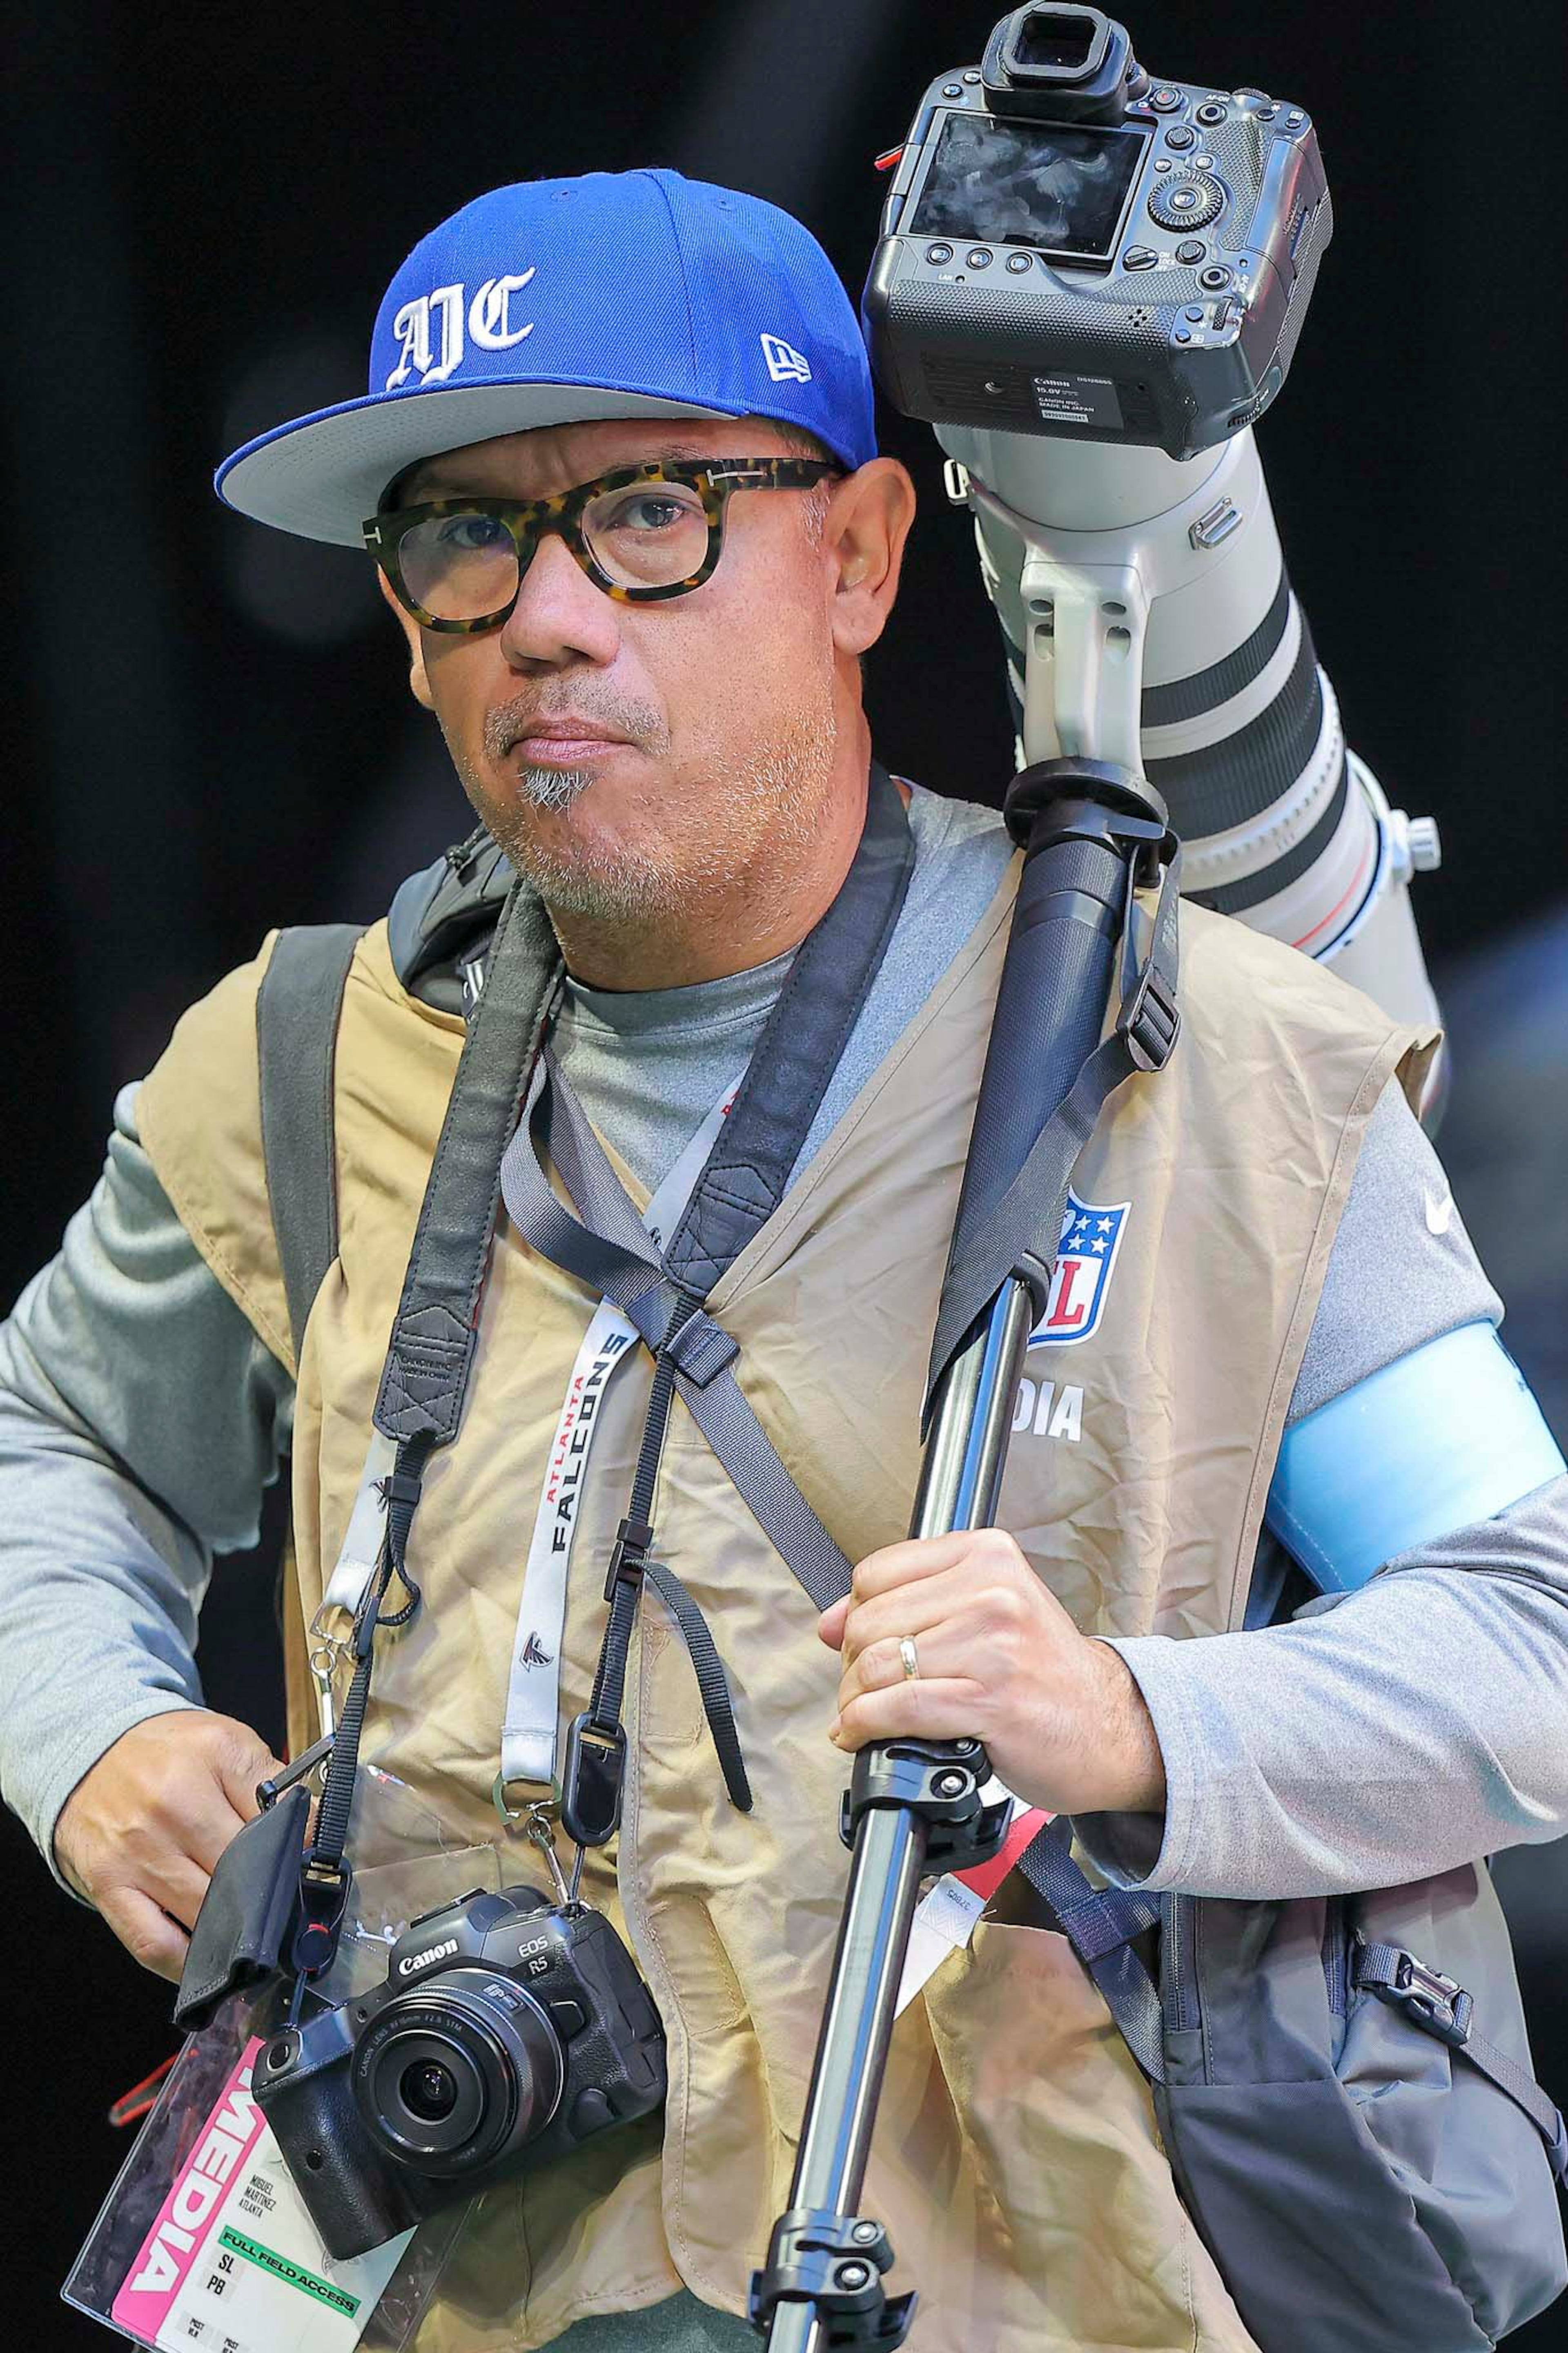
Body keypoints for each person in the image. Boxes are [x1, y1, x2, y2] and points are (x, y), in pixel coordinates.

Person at [2, 171, 1566, 2353]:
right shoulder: (294, 1060)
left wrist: (1127, 1715)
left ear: (856, 558)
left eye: (648, 511)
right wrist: (78, 1721)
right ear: (406, 613)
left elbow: (1540, 1633)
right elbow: (46, 1434)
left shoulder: (1186, 1054)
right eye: (464, 531)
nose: (550, 612)